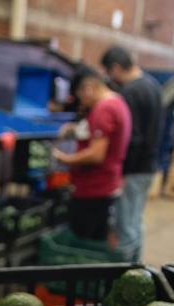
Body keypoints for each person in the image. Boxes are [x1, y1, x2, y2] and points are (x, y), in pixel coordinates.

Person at [53, 67, 132, 244]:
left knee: (85, 244)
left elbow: (96, 155)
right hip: (106, 185)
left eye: (80, 96)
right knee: (97, 239)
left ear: (88, 88)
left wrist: (63, 158)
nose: (82, 103)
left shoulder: (103, 109)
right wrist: (75, 128)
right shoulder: (118, 102)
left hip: (93, 189)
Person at [101, 46, 163, 262]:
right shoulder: (152, 85)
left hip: (134, 170)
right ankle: (137, 270)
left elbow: (133, 138)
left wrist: (122, 172)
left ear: (116, 68)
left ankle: (127, 279)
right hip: (149, 167)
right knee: (135, 222)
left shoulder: (131, 92)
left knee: (126, 225)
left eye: (110, 73)